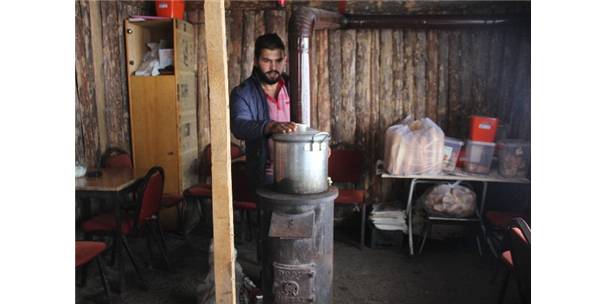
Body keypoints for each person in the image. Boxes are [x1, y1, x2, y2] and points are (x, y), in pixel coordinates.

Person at [230, 33, 297, 189]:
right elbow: (239, 126)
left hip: (297, 170)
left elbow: (304, 124)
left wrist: (317, 144)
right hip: (265, 175)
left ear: (285, 60)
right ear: (255, 61)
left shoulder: (294, 87)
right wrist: (269, 126)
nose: (273, 68)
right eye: (266, 61)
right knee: (269, 214)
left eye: (278, 61)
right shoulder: (242, 92)